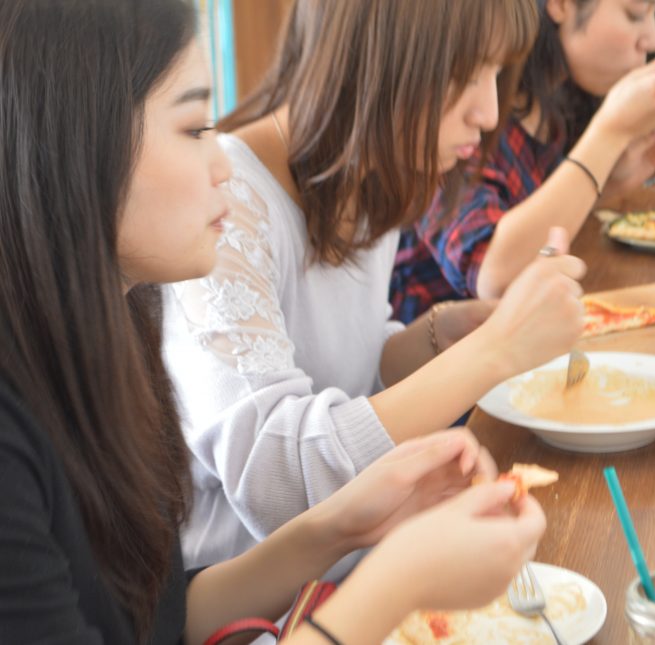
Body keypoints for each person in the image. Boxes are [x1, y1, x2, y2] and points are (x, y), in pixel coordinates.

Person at [0, 1, 545, 643]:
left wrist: (347, 525)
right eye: (194, 128)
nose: (226, 165)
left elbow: (164, 617)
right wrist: (399, 577)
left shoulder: (115, 336)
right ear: (75, 141)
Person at [162, 0, 583, 571]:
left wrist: (438, 334)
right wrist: (493, 351)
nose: (488, 112)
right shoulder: (230, 203)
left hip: (370, 562)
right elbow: (274, 482)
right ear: (376, 60)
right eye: (465, 75)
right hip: (264, 611)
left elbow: (348, 368)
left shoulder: (369, 176)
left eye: (495, 75)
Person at [391, 0, 655, 323]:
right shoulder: (455, 118)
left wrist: (610, 182)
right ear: (561, 5)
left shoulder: (553, 105)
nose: (651, 39)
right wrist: (609, 135)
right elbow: (494, 276)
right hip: (432, 358)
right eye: (635, 14)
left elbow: (541, 231)